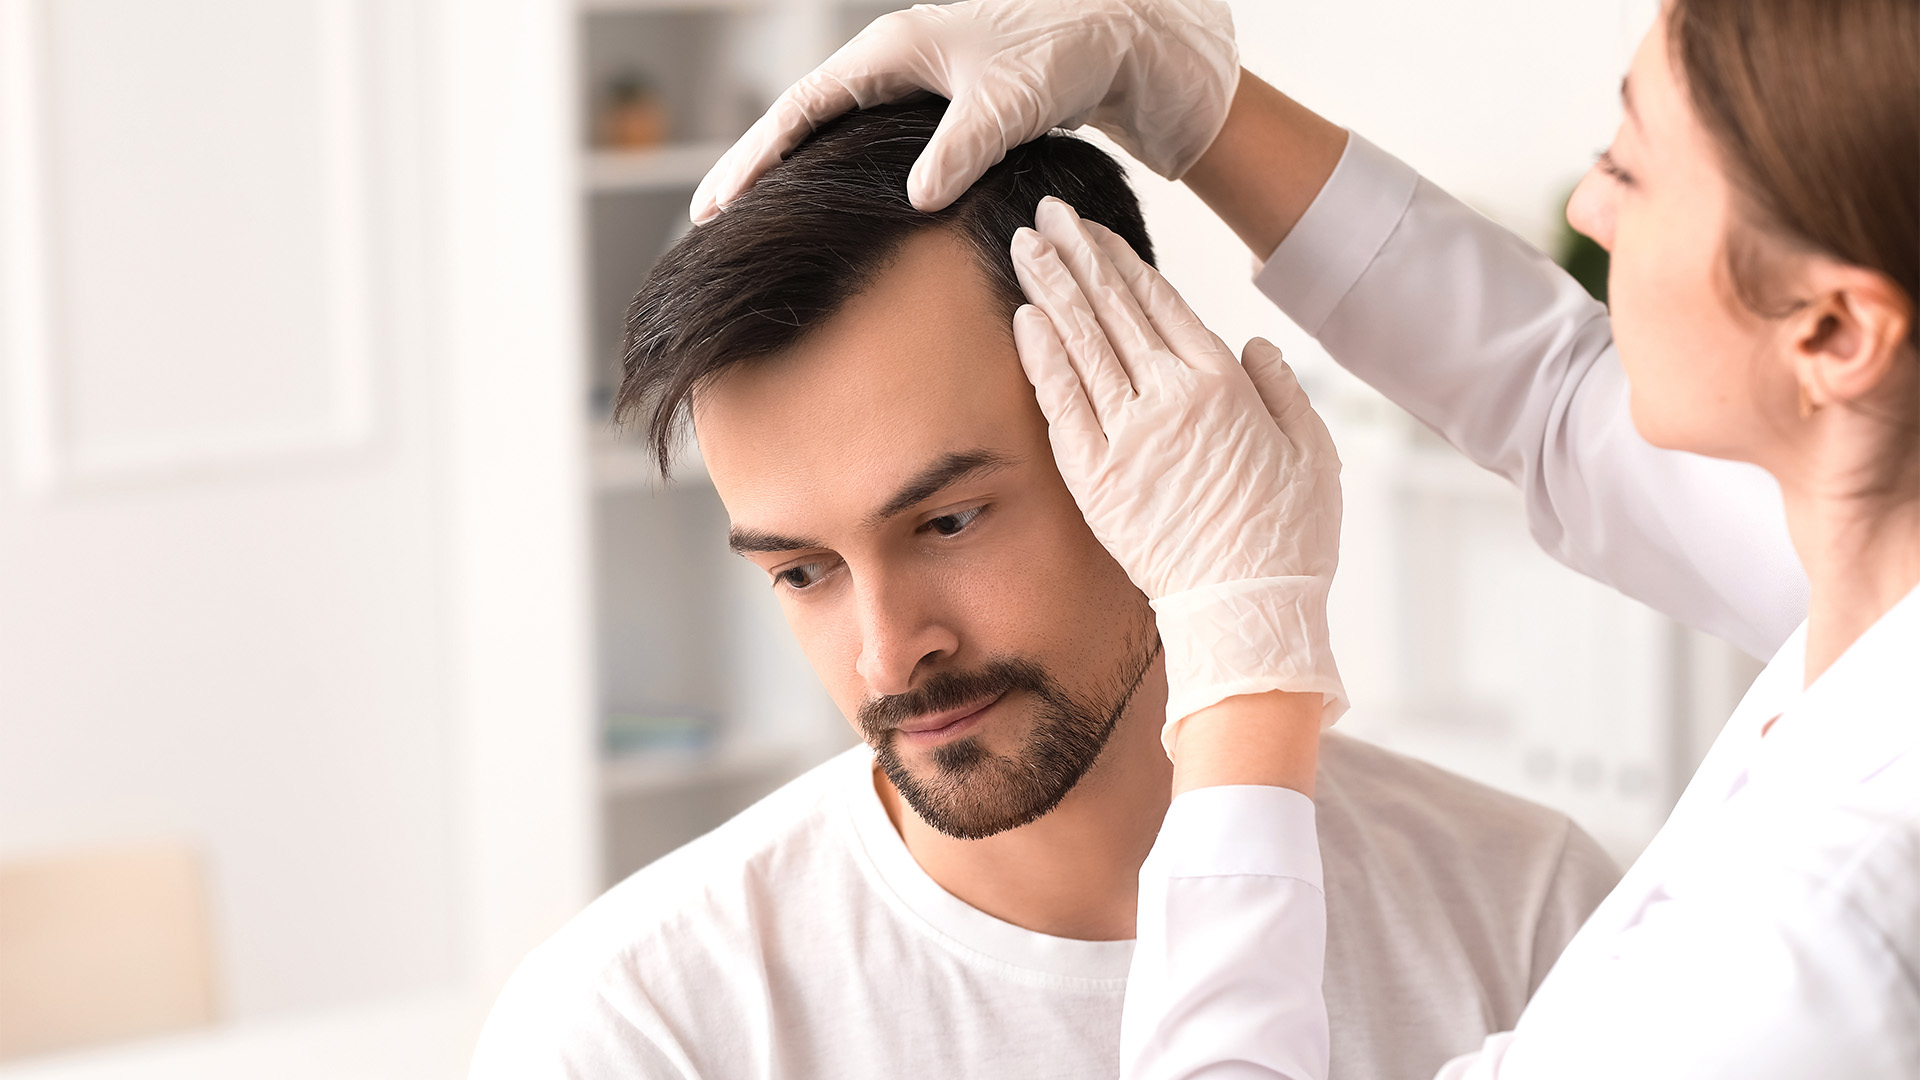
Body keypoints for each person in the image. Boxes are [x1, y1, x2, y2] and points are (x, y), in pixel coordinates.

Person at [700, 0, 1920, 1076]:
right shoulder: (646, 1017)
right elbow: (1552, 396)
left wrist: (1246, 659)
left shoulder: (1820, 943)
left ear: (1830, 335)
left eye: (1632, 169)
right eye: (800, 567)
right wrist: (1186, 96)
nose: (1588, 207)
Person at [467, 102, 1622, 1080]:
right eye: (802, 570)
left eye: (949, 520)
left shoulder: (1526, 918)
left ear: (1158, 413)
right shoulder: (638, 1029)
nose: (884, 654)